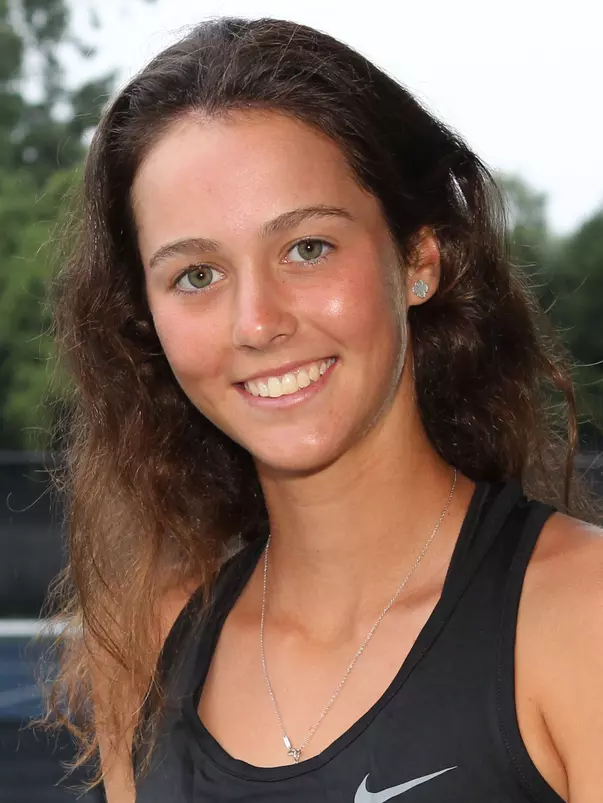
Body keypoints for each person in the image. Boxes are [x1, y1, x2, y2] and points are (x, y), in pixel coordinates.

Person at [44, 16, 603, 803]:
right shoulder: (148, 638)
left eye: (307, 248)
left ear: (416, 261)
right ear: (147, 319)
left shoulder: (581, 616)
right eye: (196, 274)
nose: (257, 321)